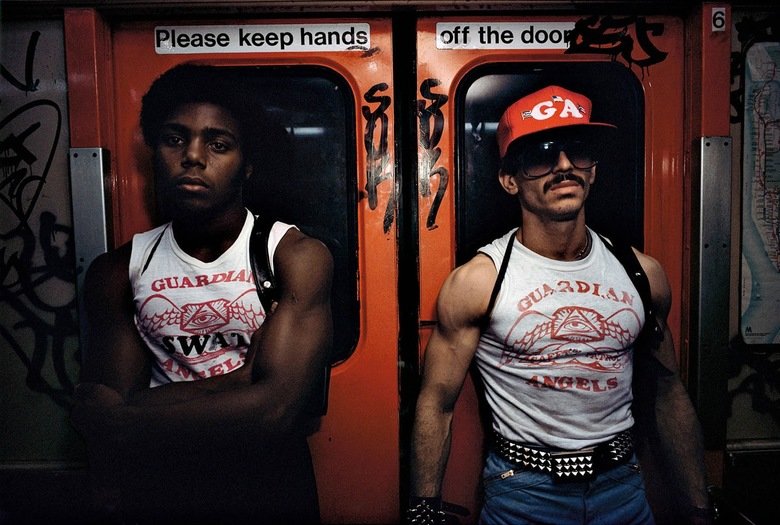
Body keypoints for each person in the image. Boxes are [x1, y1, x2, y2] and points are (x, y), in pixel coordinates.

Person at [407, 85, 712, 525]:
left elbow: (668, 391)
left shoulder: (641, 274)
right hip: (523, 492)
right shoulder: (480, 281)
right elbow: (437, 400)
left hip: (622, 488)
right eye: (541, 155)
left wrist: (699, 507)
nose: (564, 166)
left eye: (578, 153)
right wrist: (423, 508)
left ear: (593, 171)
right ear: (509, 179)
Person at [71, 64, 333, 524]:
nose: (193, 156)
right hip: (162, 487)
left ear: (246, 164)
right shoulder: (119, 271)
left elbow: (275, 411)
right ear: (154, 152)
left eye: (218, 144)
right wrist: (238, 382)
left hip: (269, 486)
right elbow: (111, 405)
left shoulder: (292, 256)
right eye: (175, 139)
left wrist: (129, 420)